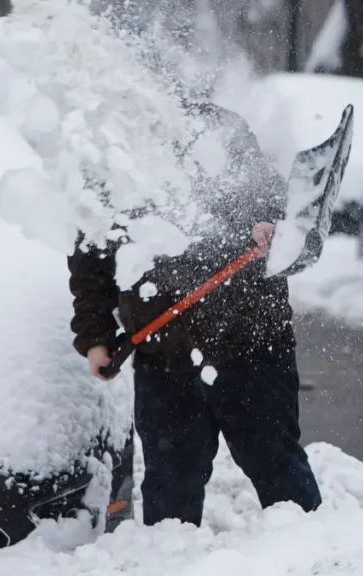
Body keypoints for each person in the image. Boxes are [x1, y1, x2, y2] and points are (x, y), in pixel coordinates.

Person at [68, 102, 322, 527]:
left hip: (250, 345)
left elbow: (274, 201)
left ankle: (313, 557)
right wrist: (95, 336)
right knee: (169, 491)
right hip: (162, 358)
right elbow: (90, 257)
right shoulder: (106, 153)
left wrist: (271, 227)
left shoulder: (220, 131)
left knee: (278, 470)